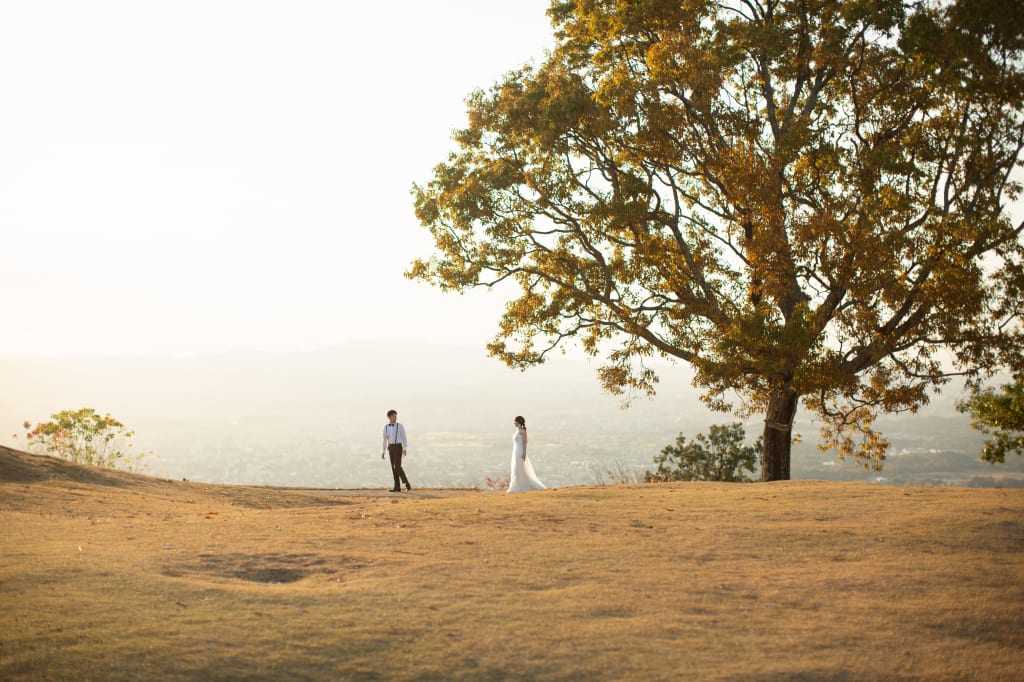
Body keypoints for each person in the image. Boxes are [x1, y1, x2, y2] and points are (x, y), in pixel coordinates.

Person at [507, 415, 546, 493]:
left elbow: (525, 442)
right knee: (516, 469)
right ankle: (516, 485)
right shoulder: (517, 431)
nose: (514, 423)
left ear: (518, 422)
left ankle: (522, 486)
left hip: (520, 451)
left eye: (515, 421)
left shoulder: (523, 431)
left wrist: (524, 453)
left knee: (520, 469)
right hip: (515, 452)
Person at [381, 409, 411, 492]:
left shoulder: (400, 426)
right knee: (393, 468)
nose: (395, 417)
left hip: (398, 447)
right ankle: (397, 487)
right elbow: (384, 440)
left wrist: (404, 448)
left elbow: (404, 438)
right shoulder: (386, 427)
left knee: (397, 466)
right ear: (389, 417)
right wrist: (383, 451)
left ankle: (407, 483)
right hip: (390, 448)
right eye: (394, 416)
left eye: (396, 416)